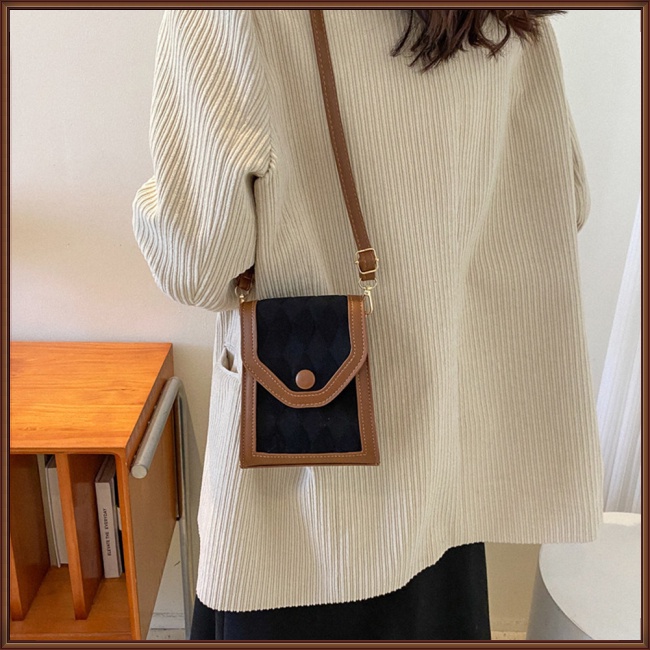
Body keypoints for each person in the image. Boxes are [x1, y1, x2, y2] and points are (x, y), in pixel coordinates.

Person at [132, 9, 604, 641]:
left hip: (305, 505)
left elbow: (196, 266)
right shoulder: (509, 16)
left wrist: (151, 204)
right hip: (445, 479)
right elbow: (564, 200)